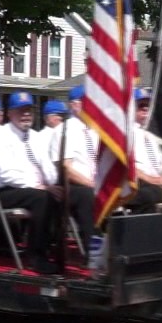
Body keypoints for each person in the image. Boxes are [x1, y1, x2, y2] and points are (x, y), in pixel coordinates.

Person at [0, 91, 62, 274]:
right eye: (21, 110)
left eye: (29, 110)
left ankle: (57, 250)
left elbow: (48, 168)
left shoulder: (36, 137)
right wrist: (36, 185)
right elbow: (7, 174)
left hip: (34, 190)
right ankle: (36, 256)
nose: (26, 114)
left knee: (63, 194)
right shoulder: (1, 136)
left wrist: (51, 183)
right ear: (10, 113)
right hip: (6, 191)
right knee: (42, 198)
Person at [50, 85, 100, 252]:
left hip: (93, 182)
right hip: (72, 185)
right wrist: (91, 184)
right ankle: (93, 253)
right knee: (87, 196)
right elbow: (66, 169)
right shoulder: (64, 130)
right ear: (73, 105)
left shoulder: (95, 130)